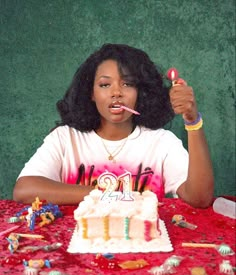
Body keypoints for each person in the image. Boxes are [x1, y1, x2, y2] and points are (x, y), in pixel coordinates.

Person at [13, 43, 214, 208]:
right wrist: (105, 193)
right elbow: (24, 190)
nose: (116, 92)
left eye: (127, 84)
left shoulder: (161, 142)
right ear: (91, 93)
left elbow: (200, 199)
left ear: (140, 92)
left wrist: (192, 121)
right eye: (104, 84)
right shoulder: (66, 138)